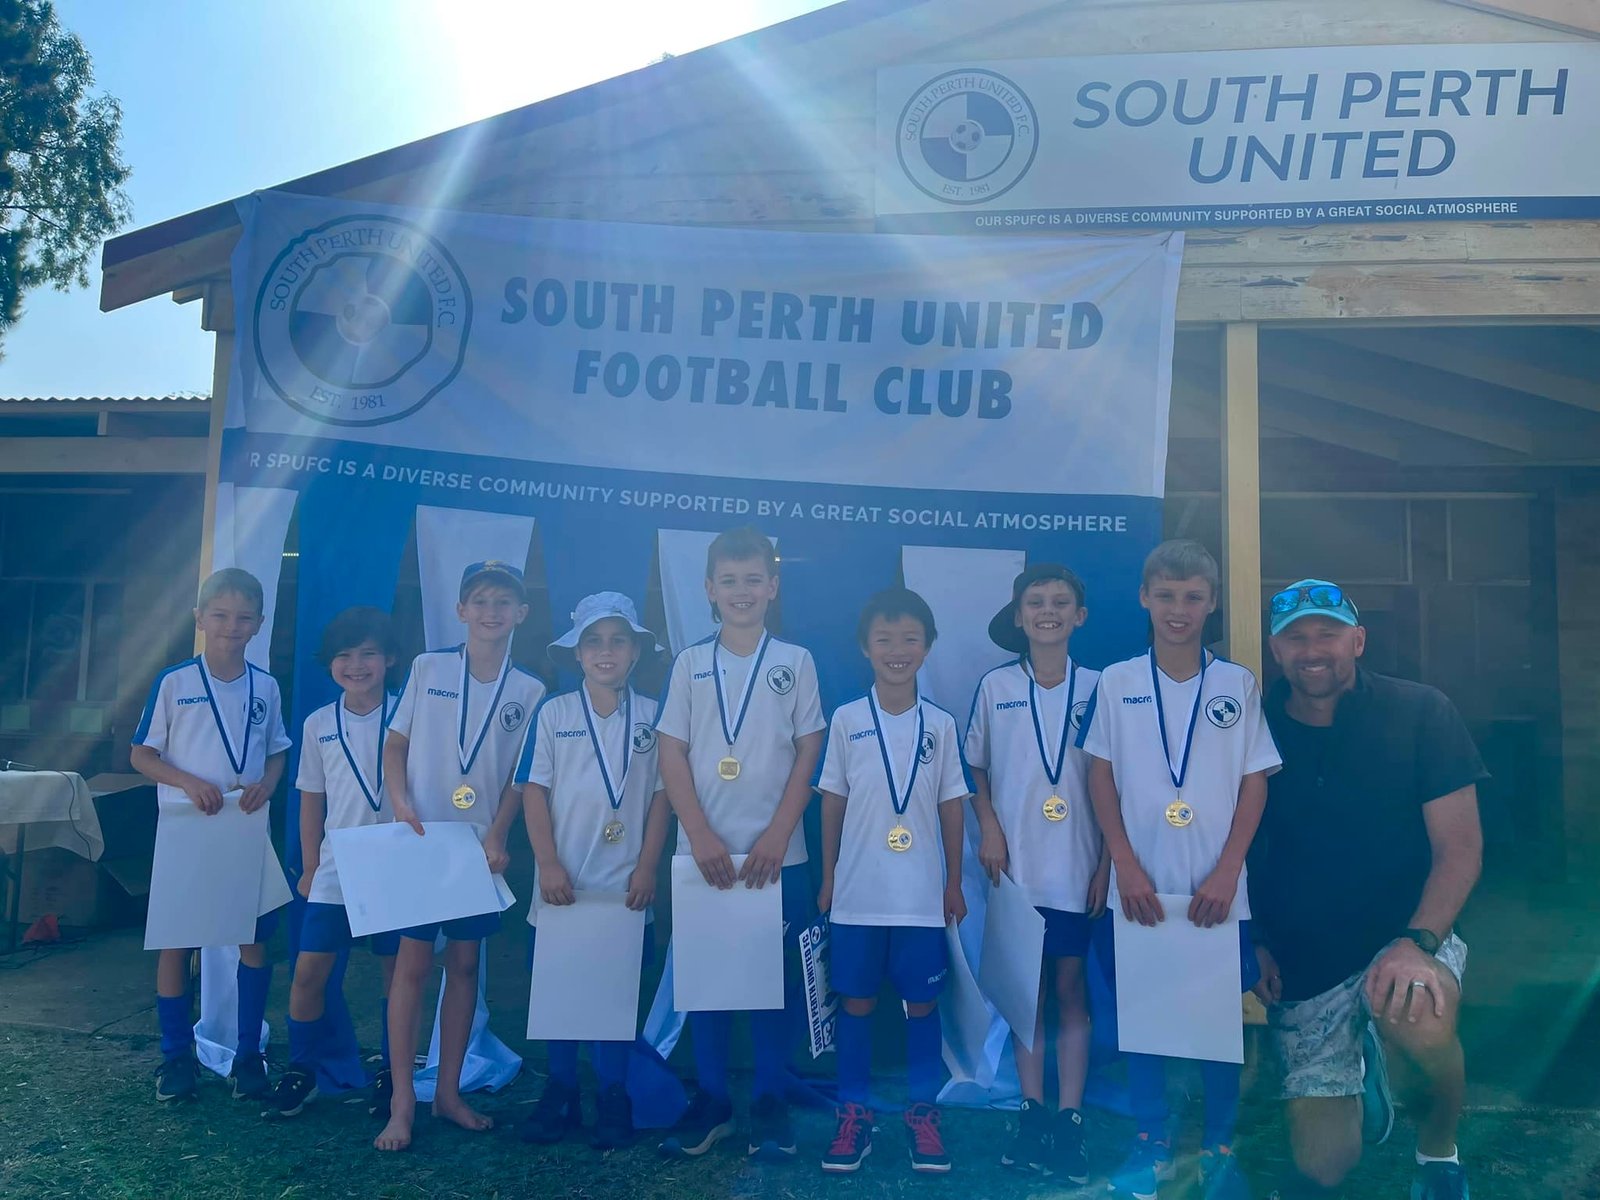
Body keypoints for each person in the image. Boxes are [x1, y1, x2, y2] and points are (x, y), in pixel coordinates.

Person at [1251, 580, 1483, 1200]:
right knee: (1323, 1167)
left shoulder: (1422, 712)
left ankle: (1438, 1154)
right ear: (1276, 650)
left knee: (1418, 1013)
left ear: (1358, 640)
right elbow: (1235, 847)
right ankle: (1366, 1067)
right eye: (1296, 637)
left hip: (1405, 935)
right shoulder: (1251, 725)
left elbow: (1460, 849)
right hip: (1305, 963)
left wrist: (1417, 943)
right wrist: (1255, 940)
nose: (1312, 649)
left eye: (1327, 633)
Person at [1077, 539, 1280, 1200]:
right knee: (1145, 1022)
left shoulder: (1236, 685)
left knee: (1216, 1024)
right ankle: (1150, 1144)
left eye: (1193, 597)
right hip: (1140, 888)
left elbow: (1255, 782)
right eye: (1165, 595)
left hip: (1215, 890)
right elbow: (1100, 776)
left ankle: (1219, 1148)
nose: (1178, 609)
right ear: (1144, 597)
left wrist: (1228, 871)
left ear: (1212, 603)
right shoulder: (1117, 682)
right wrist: (1124, 865)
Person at [654, 525, 825, 1161]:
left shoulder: (796, 661)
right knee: (708, 980)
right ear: (708, 589)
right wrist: (697, 833)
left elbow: (810, 748)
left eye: (754, 579)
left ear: (773, 586)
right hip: (703, 855)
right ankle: (714, 1101)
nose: (742, 591)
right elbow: (671, 750)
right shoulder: (689, 663)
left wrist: (780, 832)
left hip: (778, 856)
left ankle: (771, 1100)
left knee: (772, 983)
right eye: (729, 580)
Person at [375, 560, 547, 1152]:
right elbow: (395, 745)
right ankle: (402, 1101)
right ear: (461, 610)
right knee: (412, 966)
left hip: (476, 848)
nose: (491, 611)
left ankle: (448, 1093)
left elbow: (521, 778)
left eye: (503, 602)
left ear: (521, 613)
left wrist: (499, 835)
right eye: (480, 600)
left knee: (467, 967)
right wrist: (401, 804)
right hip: (424, 839)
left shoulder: (530, 689)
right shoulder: (429, 667)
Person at [817, 587, 970, 1175]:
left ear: (927, 647)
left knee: (921, 1005)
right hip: (857, 895)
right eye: (884, 639)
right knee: (855, 1003)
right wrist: (828, 876)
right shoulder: (847, 719)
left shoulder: (941, 725)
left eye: (910, 638)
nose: (897, 650)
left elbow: (952, 805)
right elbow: (832, 801)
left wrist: (953, 882)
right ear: (865, 647)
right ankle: (853, 1115)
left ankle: (922, 1115)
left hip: (921, 897)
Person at [966, 563, 1107, 1182]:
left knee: (1070, 989)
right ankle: (1031, 1110)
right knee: (1029, 994)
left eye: (1060, 601)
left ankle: (1070, 1117)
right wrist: (989, 828)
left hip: (1077, 866)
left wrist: (1107, 861)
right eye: (1035, 602)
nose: (1047, 611)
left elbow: (1117, 780)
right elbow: (974, 767)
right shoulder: (996, 687)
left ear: (1079, 615)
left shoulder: (1101, 687)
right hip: (1016, 867)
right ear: (1019, 616)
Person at [515, 592, 671, 1150]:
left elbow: (663, 798)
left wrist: (648, 866)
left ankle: (612, 1092)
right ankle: (561, 1089)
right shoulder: (554, 713)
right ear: (576, 654)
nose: (607, 651)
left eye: (618, 640)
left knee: (615, 993)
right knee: (558, 993)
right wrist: (547, 863)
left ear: (636, 651)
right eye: (594, 642)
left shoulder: (655, 716)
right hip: (563, 883)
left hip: (625, 886)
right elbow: (534, 792)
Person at [130, 567, 292, 1104]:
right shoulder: (175, 682)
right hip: (187, 829)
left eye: (243, 618)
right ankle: (177, 1056)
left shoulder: (265, 686)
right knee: (178, 940)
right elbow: (141, 755)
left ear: (259, 624)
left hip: (243, 828)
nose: (231, 626)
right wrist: (187, 781)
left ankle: (248, 1055)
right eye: (220, 615)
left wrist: (267, 784)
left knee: (252, 938)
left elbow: (277, 750)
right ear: (200, 619)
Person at [262, 607, 401, 1121]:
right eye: (344, 655)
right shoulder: (319, 723)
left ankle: (393, 1072)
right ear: (329, 663)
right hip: (337, 868)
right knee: (307, 973)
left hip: (397, 865)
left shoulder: (409, 715)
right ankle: (303, 1069)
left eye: (368, 653)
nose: (356, 665)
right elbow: (311, 799)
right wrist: (309, 865)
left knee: (396, 976)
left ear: (390, 659)